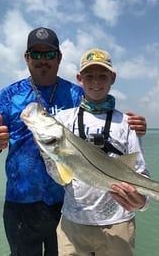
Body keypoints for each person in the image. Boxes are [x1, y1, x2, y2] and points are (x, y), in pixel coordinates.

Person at [0, 27, 147, 256]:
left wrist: (134, 125)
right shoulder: (9, 95)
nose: (43, 60)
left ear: (59, 58)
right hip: (21, 202)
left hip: (65, 204)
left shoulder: (77, 94)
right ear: (27, 58)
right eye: (36, 54)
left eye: (49, 54)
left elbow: (104, 116)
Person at [47, 48, 150, 256]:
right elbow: (59, 177)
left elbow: (140, 173)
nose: (95, 82)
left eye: (102, 76)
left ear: (112, 78)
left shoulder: (127, 123)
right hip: (73, 223)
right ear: (79, 78)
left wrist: (143, 203)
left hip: (119, 223)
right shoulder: (63, 122)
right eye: (89, 76)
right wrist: (47, 153)